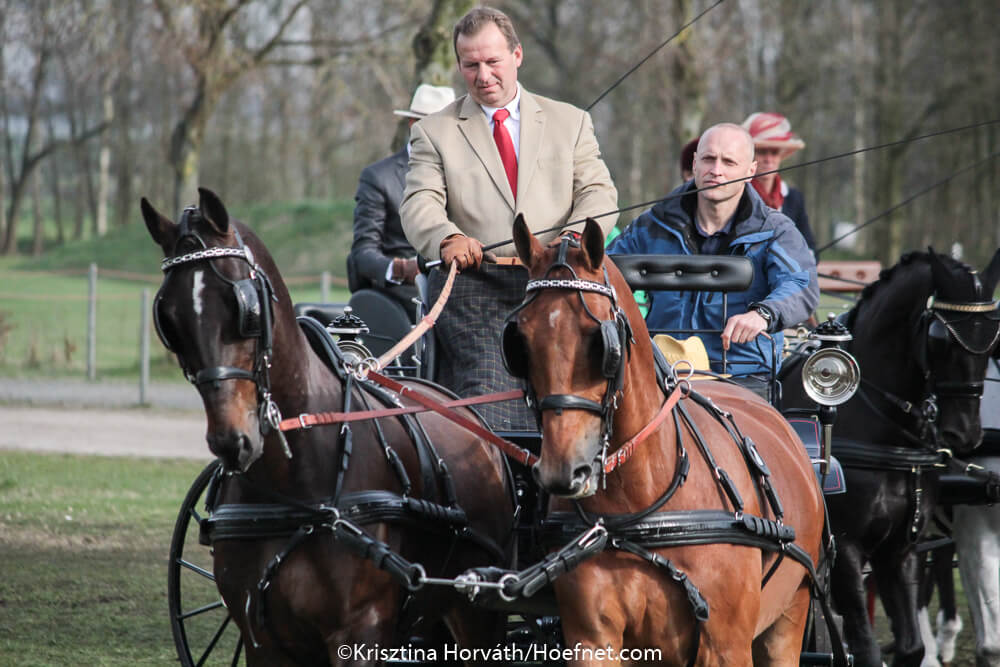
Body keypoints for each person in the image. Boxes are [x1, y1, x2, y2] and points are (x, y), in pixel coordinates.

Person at [400, 6, 618, 431]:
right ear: (459, 65)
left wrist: (573, 238)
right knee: (489, 399)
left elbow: (599, 192)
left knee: (575, 393)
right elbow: (419, 202)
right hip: (476, 286)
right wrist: (447, 238)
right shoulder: (433, 131)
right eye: (471, 65)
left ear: (517, 55)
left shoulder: (571, 121)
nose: (483, 75)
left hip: (560, 280)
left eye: (492, 61)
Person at [606, 123, 817, 378]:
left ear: (750, 171)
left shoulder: (776, 230)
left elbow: (802, 284)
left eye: (729, 162)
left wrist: (763, 314)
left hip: (744, 374)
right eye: (708, 159)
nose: (716, 170)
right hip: (659, 373)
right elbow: (603, 274)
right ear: (695, 164)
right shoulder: (653, 224)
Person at [347, 84, 456, 318]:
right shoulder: (379, 177)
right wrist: (402, 269)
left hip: (458, 288)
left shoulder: (467, 174)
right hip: (404, 296)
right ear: (413, 124)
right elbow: (363, 252)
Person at [741, 112, 816, 251]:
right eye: (762, 152)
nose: (769, 159)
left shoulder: (793, 197)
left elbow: (809, 245)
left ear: (781, 156)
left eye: (774, 152)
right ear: (751, 156)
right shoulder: (739, 194)